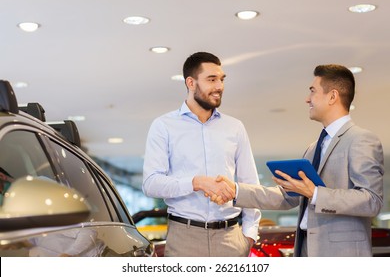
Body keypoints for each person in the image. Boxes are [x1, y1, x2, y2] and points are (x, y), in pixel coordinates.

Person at [215, 64, 384, 257]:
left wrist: (315, 193)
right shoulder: (313, 148)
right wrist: (235, 191)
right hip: (306, 251)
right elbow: (287, 197)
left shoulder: (361, 139)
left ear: (332, 96)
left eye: (313, 91)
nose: (307, 99)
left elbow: (372, 200)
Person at [142, 51, 261, 257]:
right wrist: (196, 182)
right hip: (184, 239)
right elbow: (151, 183)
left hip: (231, 238)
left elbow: (250, 183)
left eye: (221, 79)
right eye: (211, 79)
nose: (219, 87)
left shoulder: (235, 127)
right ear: (191, 82)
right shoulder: (163, 126)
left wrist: (249, 235)